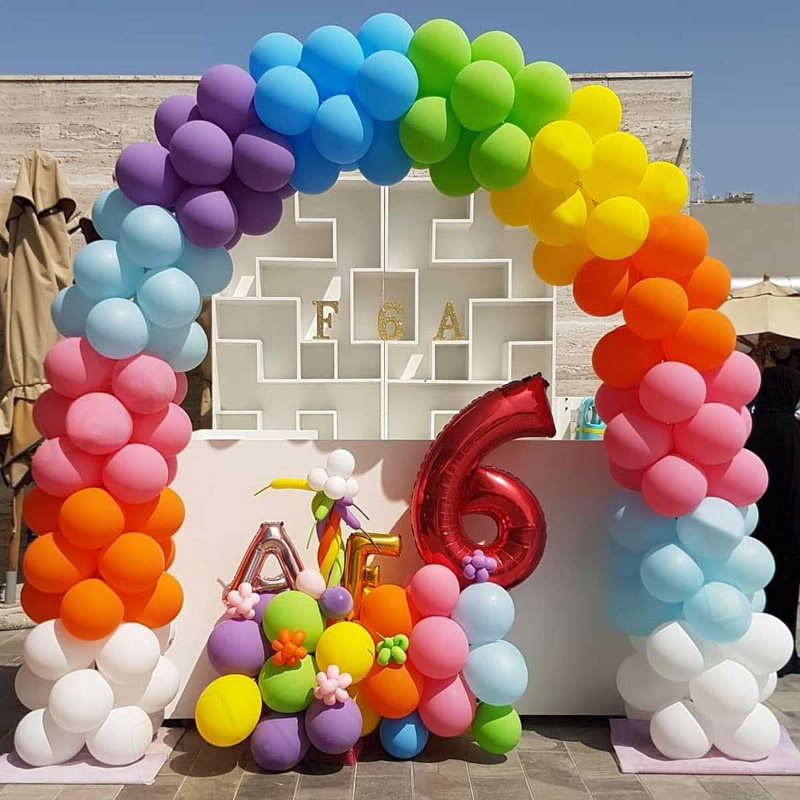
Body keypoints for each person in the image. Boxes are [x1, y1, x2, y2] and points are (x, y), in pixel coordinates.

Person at [746, 365, 800, 676]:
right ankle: (782, 654)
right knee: (785, 588)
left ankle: (748, 648)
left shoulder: (748, 427)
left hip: (752, 524)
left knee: (752, 586)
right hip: (789, 524)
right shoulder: (794, 431)